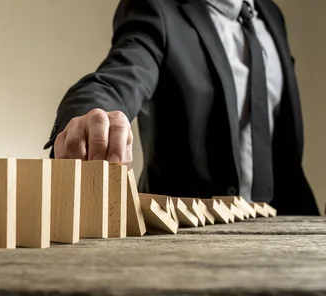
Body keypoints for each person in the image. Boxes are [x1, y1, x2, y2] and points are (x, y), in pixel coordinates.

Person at [44, 0, 319, 215]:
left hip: (289, 228)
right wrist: (90, 117)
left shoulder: (270, 14)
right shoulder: (158, 9)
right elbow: (119, 77)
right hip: (187, 234)